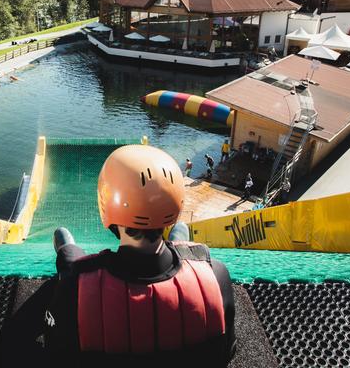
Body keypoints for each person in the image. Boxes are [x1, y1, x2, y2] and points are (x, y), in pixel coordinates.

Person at [45, 145, 235, 366]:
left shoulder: (75, 283)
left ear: (109, 205)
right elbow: (227, 352)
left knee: (68, 252)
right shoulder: (216, 274)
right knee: (181, 232)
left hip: (76, 274)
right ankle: (177, 235)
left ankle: (66, 247)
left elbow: (55, 351)